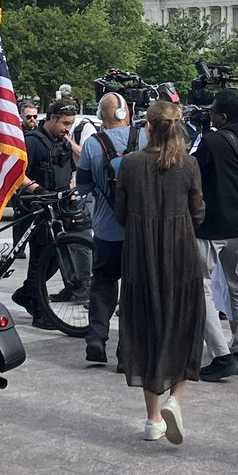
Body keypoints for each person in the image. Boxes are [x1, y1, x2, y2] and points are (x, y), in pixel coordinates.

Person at [114, 99, 205, 445]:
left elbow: (121, 213)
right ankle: (175, 400)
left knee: (143, 326)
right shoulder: (189, 164)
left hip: (140, 254)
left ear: (147, 127)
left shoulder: (130, 165)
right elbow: (198, 213)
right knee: (184, 322)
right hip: (180, 252)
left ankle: (153, 419)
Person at [193, 88, 238, 381]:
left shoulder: (211, 141)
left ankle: (220, 354)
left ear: (220, 115)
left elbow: (195, 169)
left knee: (202, 287)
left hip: (213, 225)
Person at [76, 92, 133, 365]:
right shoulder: (145, 138)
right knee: (134, 289)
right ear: (128, 113)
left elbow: (84, 185)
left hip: (106, 229)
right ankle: (127, 354)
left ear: (101, 116)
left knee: (103, 282)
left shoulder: (91, 144)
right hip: (137, 230)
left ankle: (97, 337)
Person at [13, 98, 77, 328]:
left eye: (71, 123)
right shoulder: (32, 141)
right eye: (65, 123)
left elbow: (70, 170)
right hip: (37, 208)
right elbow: (17, 173)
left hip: (58, 207)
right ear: (51, 118)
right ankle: (39, 310)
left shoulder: (63, 142)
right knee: (40, 260)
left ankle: (26, 294)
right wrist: (37, 189)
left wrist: (71, 190)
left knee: (53, 262)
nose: (67, 128)